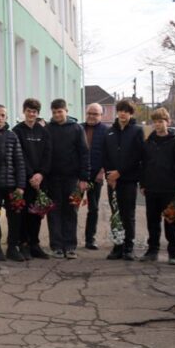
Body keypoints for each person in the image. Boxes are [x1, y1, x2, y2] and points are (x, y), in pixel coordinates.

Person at [45, 99, 89, 259]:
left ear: (66, 111)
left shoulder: (77, 129)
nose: (57, 114)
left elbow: (84, 154)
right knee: (54, 212)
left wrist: (84, 178)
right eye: (54, 112)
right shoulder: (48, 129)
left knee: (71, 211)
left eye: (60, 111)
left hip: (72, 178)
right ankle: (56, 246)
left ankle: (70, 246)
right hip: (52, 178)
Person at [139, 108, 175, 264]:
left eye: (161, 121)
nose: (157, 125)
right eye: (155, 122)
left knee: (171, 222)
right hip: (151, 188)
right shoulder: (148, 143)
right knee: (152, 221)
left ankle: (173, 253)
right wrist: (143, 184)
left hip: (170, 189)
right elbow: (143, 165)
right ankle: (152, 251)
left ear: (168, 122)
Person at [101, 99, 144, 260]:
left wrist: (120, 172)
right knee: (115, 214)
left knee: (128, 214)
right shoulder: (109, 131)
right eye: (120, 110)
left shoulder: (137, 131)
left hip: (128, 180)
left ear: (131, 113)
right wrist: (109, 175)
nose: (123, 113)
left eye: (126, 111)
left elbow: (137, 156)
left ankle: (128, 247)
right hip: (112, 180)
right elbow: (105, 155)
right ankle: (117, 246)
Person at [0, 105, 26, 261]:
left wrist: (20, 186)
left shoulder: (12, 136)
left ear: (6, 118)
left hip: (11, 185)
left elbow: (19, 162)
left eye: (3, 115)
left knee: (15, 217)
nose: (0, 118)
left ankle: (12, 247)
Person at [13, 98, 52, 259]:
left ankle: (35, 244)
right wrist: (31, 176)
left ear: (38, 113)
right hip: (25, 180)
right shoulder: (17, 131)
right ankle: (23, 244)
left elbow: (48, 154)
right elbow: (19, 156)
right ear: (24, 111)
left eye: (34, 112)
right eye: (29, 111)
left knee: (37, 213)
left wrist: (41, 174)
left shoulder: (43, 132)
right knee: (23, 214)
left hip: (40, 181)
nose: (31, 114)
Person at [82, 103, 108, 250]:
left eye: (95, 114)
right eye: (89, 113)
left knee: (94, 208)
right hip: (79, 176)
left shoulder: (106, 131)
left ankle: (90, 239)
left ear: (101, 116)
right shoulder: (79, 128)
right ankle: (70, 240)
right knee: (73, 207)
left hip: (95, 175)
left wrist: (102, 171)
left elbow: (108, 153)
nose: (91, 116)